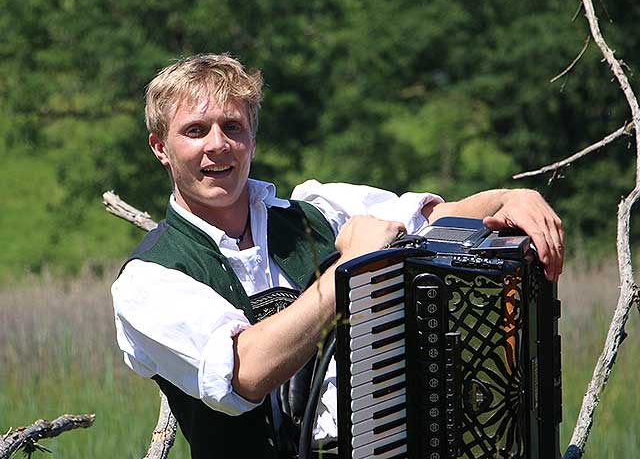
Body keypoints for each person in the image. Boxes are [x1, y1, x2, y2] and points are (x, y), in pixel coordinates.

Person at [111, 53, 563, 459]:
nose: (217, 145)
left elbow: (437, 222)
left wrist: (507, 199)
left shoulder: (319, 213)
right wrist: (349, 271)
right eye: (195, 131)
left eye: (233, 127)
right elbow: (244, 372)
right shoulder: (148, 281)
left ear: (252, 137)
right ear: (160, 148)